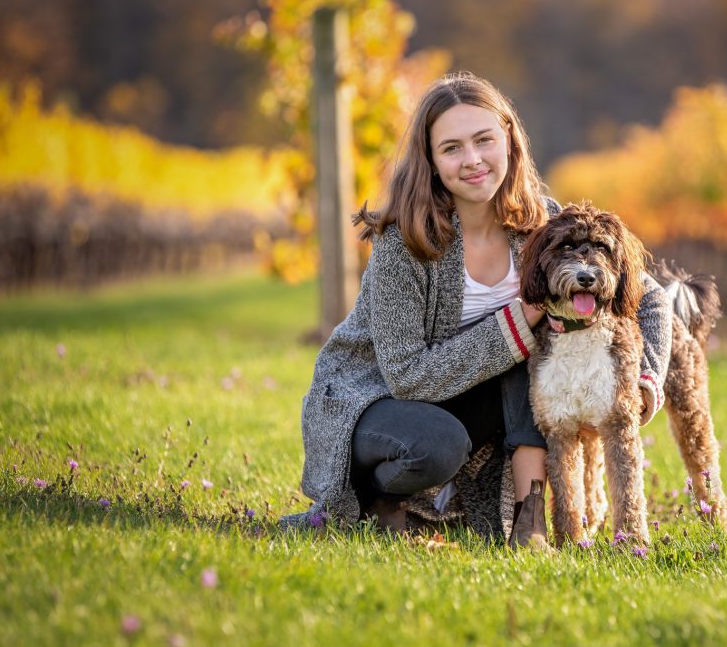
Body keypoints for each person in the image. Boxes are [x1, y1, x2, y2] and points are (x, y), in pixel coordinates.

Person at [280, 72, 673, 548]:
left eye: (484, 140)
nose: (472, 160)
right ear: (431, 160)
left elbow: (649, 295)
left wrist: (645, 381)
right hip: (374, 399)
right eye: (451, 148)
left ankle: (529, 520)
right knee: (438, 443)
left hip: (470, 402)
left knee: (532, 360)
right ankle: (366, 503)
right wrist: (515, 322)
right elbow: (405, 374)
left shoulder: (544, 223)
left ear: (508, 138)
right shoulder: (404, 242)